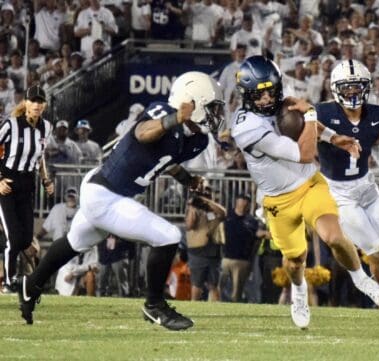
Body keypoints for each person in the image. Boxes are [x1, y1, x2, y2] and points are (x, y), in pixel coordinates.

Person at [18, 71, 225, 330]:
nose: (215, 115)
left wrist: (189, 180)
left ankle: (30, 285)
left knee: (75, 242)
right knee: (169, 235)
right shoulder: (163, 112)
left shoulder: (197, 140)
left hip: (108, 193)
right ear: (191, 102)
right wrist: (175, 118)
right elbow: (142, 133)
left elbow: (166, 162)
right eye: (211, 108)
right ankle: (154, 306)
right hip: (107, 194)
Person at [231, 56, 379, 329]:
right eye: (260, 94)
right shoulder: (246, 127)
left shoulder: (284, 102)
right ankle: (300, 292)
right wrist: (312, 115)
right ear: (246, 96)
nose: (268, 98)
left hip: (309, 185)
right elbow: (305, 153)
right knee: (295, 262)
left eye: (271, 90)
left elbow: (305, 127)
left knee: (334, 236)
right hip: (277, 200)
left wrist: (332, 136)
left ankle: (361, 278)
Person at [315, 59, 379, 317]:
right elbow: (304, 126)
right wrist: (331, 137)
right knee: (375, 250)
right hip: (340, 193)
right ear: (336, 89)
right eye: (347, 88)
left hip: (368, 188)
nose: (352, 93)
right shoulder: (323, 114)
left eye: (357, 87)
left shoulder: (377, 114)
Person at [0, 85, 54, 293]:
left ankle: (16, 276)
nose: (37, 105)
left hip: (27, 185)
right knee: (14, 238)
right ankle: (8, 282)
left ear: (45, 105)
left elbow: (40, 157)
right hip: (8, 184)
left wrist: (46, 180)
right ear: (26, 103)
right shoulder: (12, 125)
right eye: (33, 101)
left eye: (41, 101)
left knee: (25, 238)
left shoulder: (46, 128)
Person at [185, 185, 226, 302]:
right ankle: (194, 304)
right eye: (203, 194)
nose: (205, 196)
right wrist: (193, 207)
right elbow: (189, 225)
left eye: (208, 194)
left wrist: (207, 202)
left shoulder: (215, 209)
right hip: (198, 250)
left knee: (213, 283)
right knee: (197, 283)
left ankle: (215, 308)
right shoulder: (192, 209)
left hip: (214, 250)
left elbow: (223, 213)